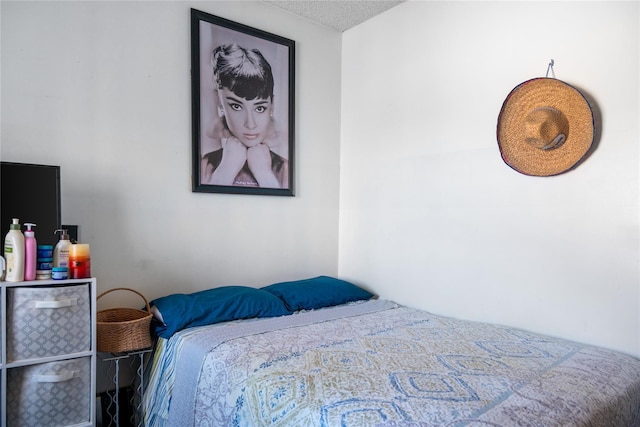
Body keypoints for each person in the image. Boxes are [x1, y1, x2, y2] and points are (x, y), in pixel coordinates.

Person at [201, 43, 288, 189]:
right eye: (236, 106)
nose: (250, 124)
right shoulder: (206, 165)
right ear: (220, 102)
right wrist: (226, 170)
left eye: (260, 108)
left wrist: (264, 174)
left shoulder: (285, 170)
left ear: (271, 105)